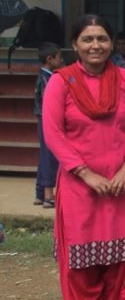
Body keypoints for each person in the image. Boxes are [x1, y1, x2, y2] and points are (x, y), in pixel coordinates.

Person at [43, 14, 125, 300]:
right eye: (87, 39)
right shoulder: (60, 82)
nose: (95, 45)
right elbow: (53, 134)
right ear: (75, 44)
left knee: (123, 256)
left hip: (123, 183)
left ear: (111, 43)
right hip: (79, 185)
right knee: (81, 259)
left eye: (102, 38)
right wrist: (87, 174)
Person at [34, 42, 63, 208]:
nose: (61, 60)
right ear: (50, 59)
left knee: (45, 154)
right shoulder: (48, 79)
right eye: (59, 57)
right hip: (47, 119)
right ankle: (48, 195)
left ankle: (40, 193)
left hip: (42, 118)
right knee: (50, 156)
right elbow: (50, 102)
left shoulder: (43, 76)